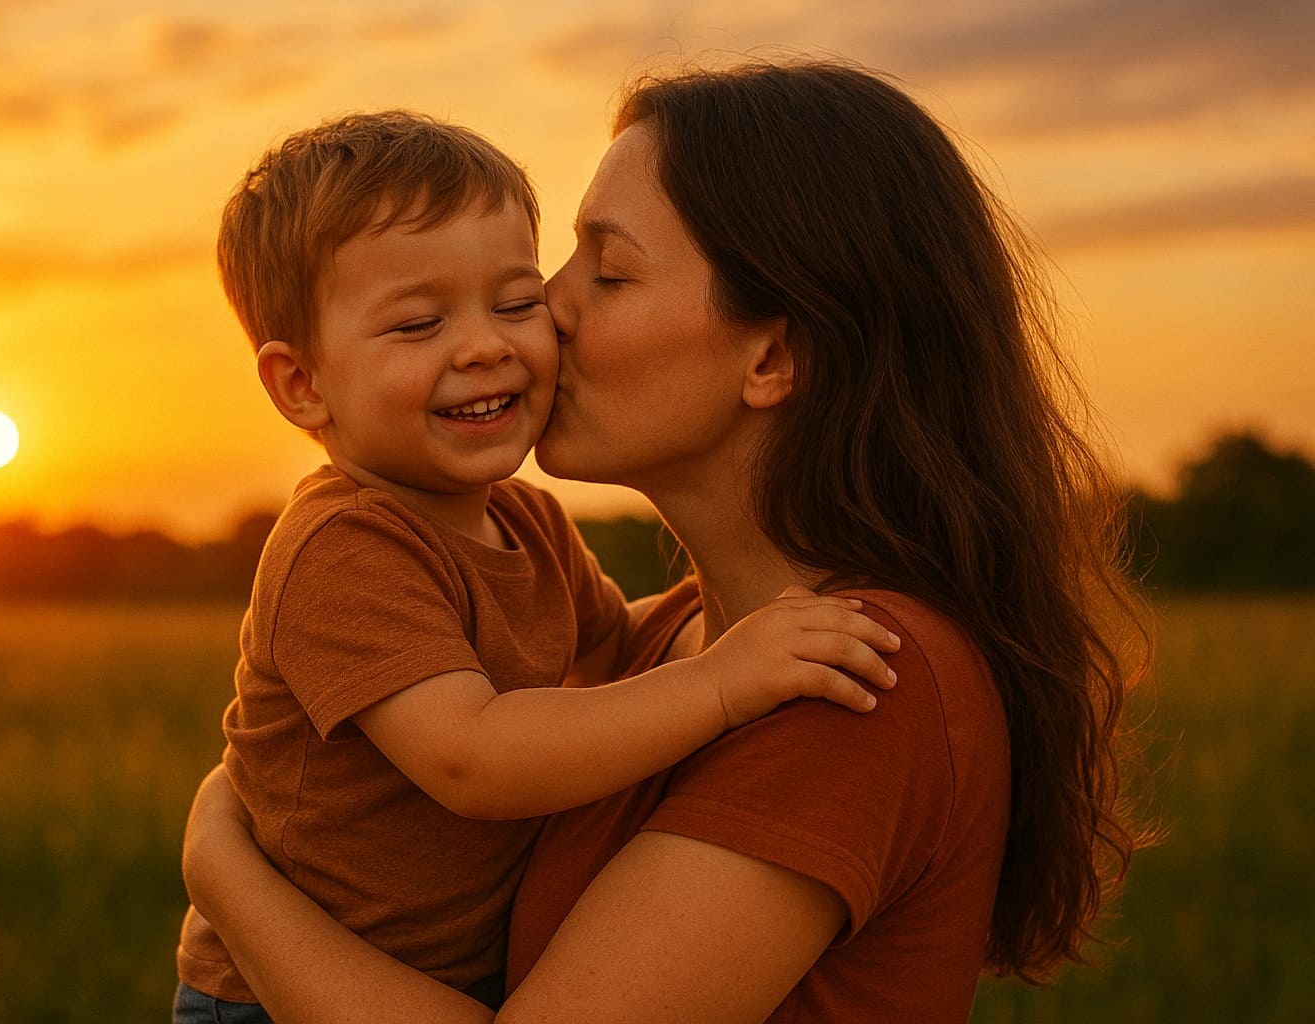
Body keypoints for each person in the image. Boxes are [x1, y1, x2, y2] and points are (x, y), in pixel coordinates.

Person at [182, 59, 1150, 1023]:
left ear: (772, 355)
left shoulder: (856, 679)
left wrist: (224, 869)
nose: (546, 312)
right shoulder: (682, 646)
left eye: (605, 271)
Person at [173, 110, 901, 1022]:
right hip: (271, 999)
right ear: (302, 385)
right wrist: (725, 681)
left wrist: (746, 627)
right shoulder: (345, 549)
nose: (485, 345)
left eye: (515, 303)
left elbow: (616, 645)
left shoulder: (524, 518)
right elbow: (474, 757)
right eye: (417, 324)